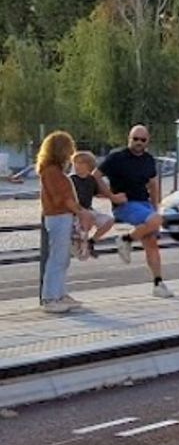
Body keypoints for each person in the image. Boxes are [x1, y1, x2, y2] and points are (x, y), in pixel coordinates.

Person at [100, 125, 173, 298]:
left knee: (152, 244)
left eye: (143, 139)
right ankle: (125, 239)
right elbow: (95, 176)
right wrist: (111, 196)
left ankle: (158, 284)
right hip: (125, 206)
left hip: (144, 205)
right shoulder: (116, 157)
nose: (139, 142)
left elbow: (153, 184)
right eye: (135, 139)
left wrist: (154, 206)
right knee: (157, 220)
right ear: (129, 138)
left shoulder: (148, 159)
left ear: (147, 141)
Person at [37, 130, 82, 313]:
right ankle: (50, 297)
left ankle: (60, 293)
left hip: (61, 217)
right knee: (57, 258)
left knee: (62, 258)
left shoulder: (52, 171)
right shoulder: (52, 172)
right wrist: (80, 211)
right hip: (58, 217)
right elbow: (61, 198)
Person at [69, 150, 131, 263]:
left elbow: (98, 193)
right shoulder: (71, 180)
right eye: (75, 163)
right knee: (83, 255)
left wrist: (115, 197)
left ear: (88, 166)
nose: (76, 166)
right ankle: (80, 243)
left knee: (109, 220)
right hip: (76, 212)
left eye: (80, 163)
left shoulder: (91, 180)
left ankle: (91, 241)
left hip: (89, 210)